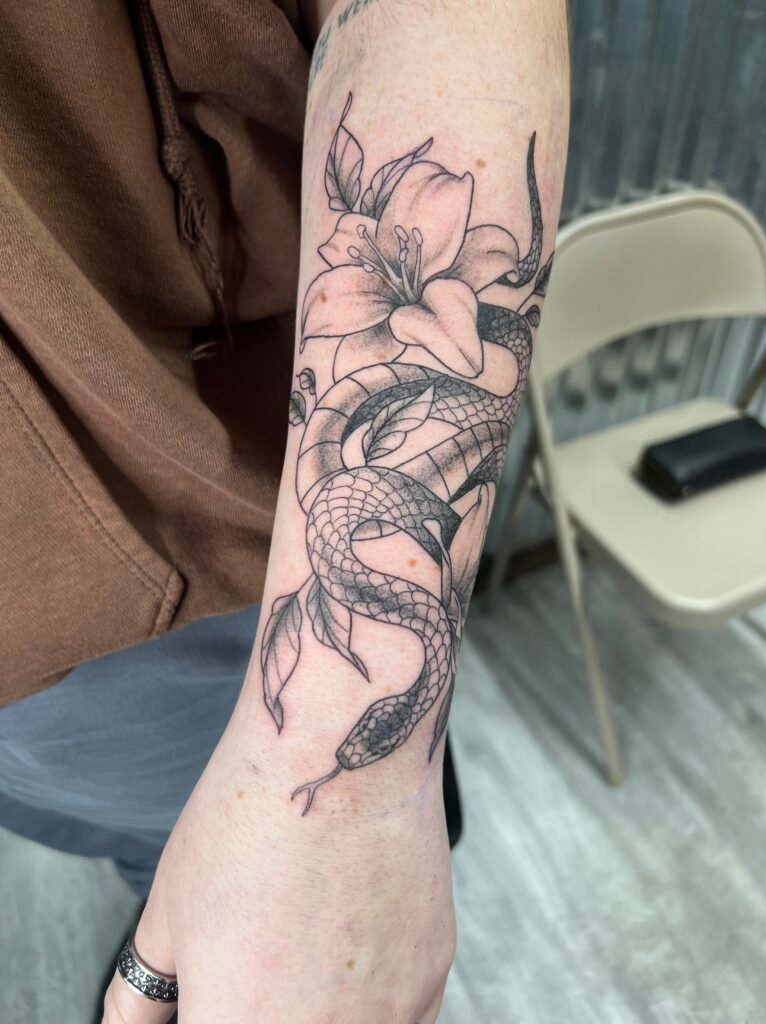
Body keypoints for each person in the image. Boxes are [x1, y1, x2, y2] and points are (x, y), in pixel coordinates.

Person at [0, 1, 569, 1021]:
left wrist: (343, 795)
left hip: (191, 615)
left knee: (226, 890)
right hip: (37, 707)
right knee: (161, 866)